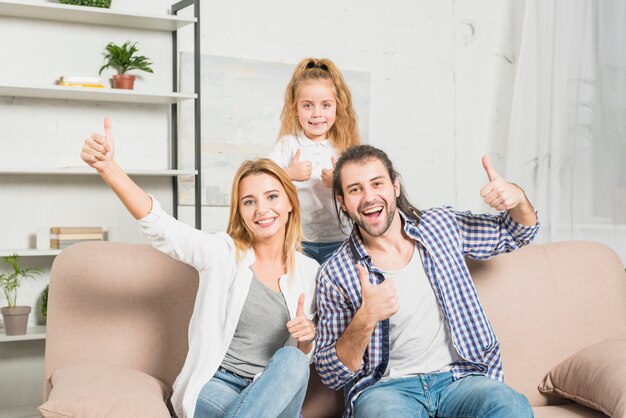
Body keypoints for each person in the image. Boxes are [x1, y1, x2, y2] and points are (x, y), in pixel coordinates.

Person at [81, 117, 319, 418]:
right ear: (241, 213)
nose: (261, 210)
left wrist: (307, 340)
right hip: (215, 386)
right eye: (249, 202)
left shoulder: (309, 271)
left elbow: (301, 362)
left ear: (290, 204)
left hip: (267, 388)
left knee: (293, 360)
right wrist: (109, 168)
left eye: (272, 197)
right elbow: (162, 228)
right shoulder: (222, 252)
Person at [314, 145, 540, 418]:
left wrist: (517, 197)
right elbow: (331, 374)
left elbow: (517, 232)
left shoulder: (440, 226)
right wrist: (366, 317)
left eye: (377, 183)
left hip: (459, 379)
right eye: (355, 189)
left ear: (395, 186)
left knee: (511, 406)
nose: (369, 197)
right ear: (342, 202)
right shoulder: (335, 272)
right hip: (386, 391)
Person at [268, 57, 360, 264]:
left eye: (326, 105)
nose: (317, 114)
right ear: (294, 108)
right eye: (308, 105)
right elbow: (261, 178)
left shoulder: (344, 148)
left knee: (335, 293)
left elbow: (359, 190)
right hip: (298, 239)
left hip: (340, 239)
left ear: (338, 107)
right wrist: (288, 174)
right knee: (301, 290)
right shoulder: (287, 145)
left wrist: (338, 182)